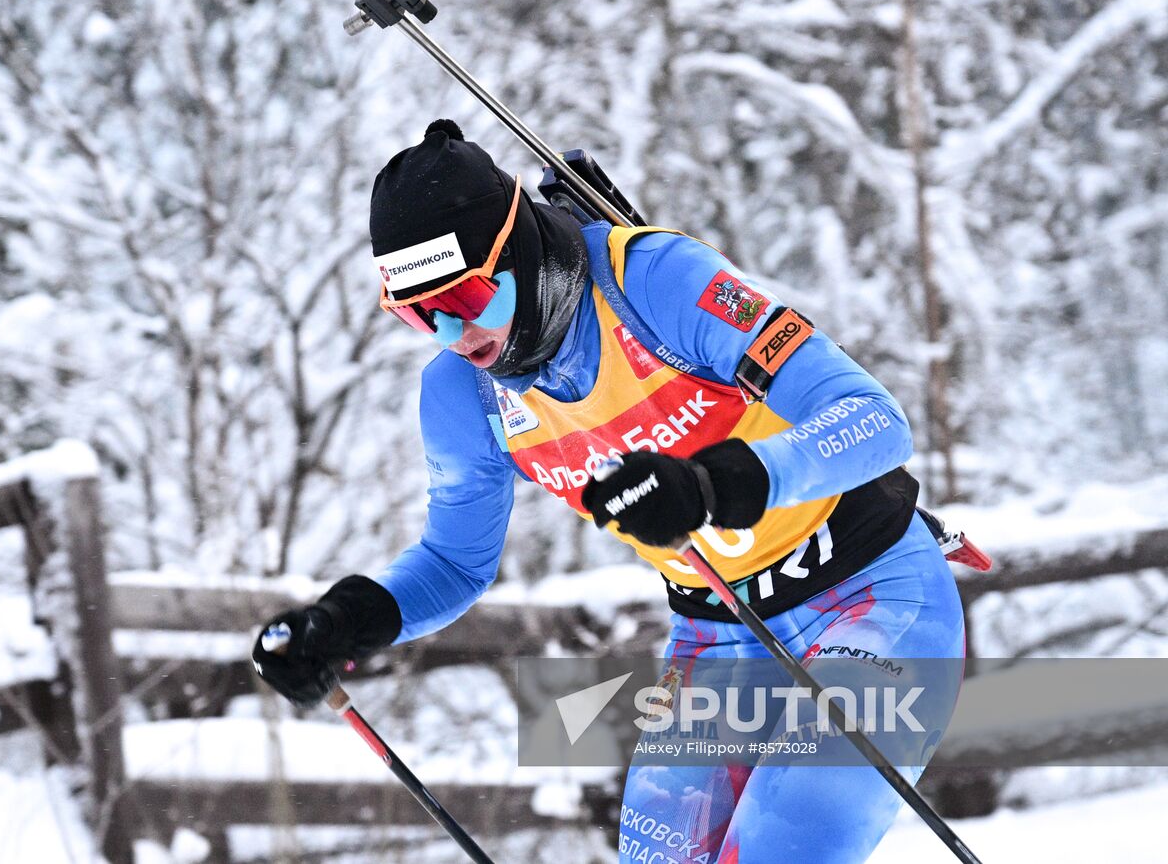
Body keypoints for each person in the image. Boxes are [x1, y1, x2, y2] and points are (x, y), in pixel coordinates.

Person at [251, 119, 971, 863]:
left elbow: (874, 420)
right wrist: (350, 620)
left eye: (466, 300)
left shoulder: (652, 282)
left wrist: (712, 483)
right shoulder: (463, 396)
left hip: (874, 596)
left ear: (522, 252)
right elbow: (456, 562)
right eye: (416, 313)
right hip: (719, 635)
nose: (453, 335)